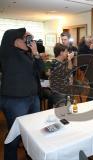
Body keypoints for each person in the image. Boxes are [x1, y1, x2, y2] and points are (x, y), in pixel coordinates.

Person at [0, 28, 43, 160]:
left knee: (32, 131)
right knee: (15, 134)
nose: (29, 41)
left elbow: (40, 70)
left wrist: (35, 52)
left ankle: (31, 155)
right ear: (15, 40)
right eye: (25, 38)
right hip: (15, 101)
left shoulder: (27, 55)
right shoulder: (7, 52)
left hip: (33, 98)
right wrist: (26, 32)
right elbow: (9, 35)